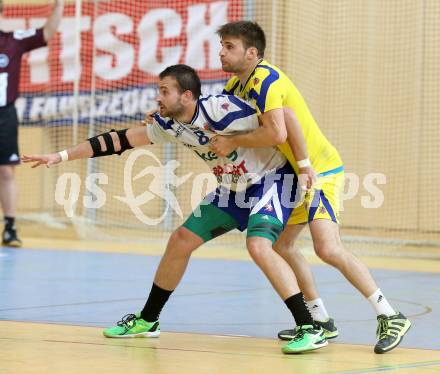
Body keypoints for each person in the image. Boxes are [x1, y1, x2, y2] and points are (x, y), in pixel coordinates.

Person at [23, 64, 329, 354]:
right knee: (180, 240)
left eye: (164, 90)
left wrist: (303, 166)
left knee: (260, 246)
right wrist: (60, 156)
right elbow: (120, 139)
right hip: (233, 190)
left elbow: (285, 120)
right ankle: (148, 319)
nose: (158, 96)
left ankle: (309, 327)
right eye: (158, 90)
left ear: (186, 95)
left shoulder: (221, 109)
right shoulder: (168, 123)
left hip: (273, 179)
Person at [209, 21, 411, 354]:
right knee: (283, 246)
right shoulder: (235, 87)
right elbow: (213, 117)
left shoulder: (266, 81)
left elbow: (277, 134)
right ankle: (320, 319)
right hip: (294, 173)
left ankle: (391, 314)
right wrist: (169, 116)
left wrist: (232, 140)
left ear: (252, 53)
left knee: (327, 248)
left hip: (320, 170)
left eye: (229, 46)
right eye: (222, 45)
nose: (222, 51)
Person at [0, 0, 64, 247]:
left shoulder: (13, 39)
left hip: (4, 114)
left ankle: (10, 227)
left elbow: (47, 32)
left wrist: (59, 6)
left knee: (6, 171)